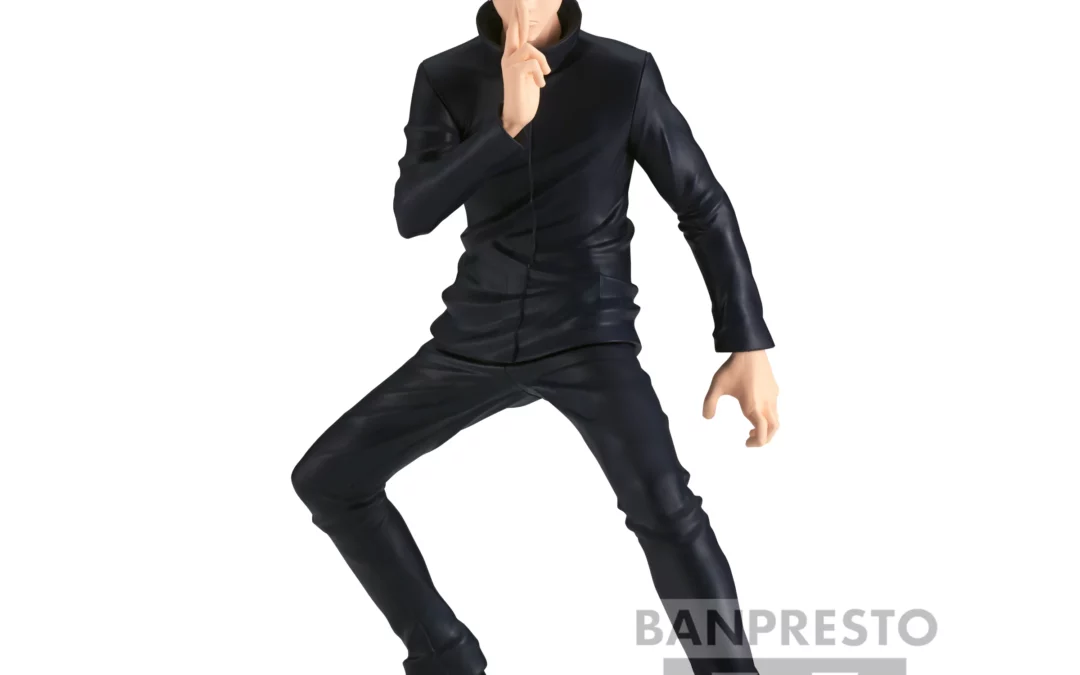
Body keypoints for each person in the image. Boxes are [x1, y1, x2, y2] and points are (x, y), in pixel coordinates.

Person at [291, 1, 780, 673]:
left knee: (666, 509)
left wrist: (746, 341)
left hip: (589, 332)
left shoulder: (623, 74)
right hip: (476, 334)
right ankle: (447, 655)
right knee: (328, 478)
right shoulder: (446, 76)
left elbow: (702, 203)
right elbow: (412, 213)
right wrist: (505, 126)